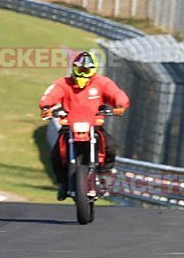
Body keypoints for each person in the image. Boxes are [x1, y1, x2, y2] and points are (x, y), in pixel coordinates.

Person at [39, 51, 130, 201]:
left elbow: (117, 94)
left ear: (93, 71)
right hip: (69, 126)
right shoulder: (64, 83)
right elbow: (50, 94)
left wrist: (119, 105)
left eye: (86, 71)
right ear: (73, 69)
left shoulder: (103, 82)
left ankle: (104, 175)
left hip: (94, 126)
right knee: (56, 153)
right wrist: (46, 107)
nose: (82, 74)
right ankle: (63, 182)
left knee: (110, 145)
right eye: (79, 70)